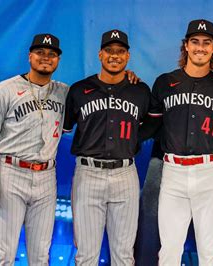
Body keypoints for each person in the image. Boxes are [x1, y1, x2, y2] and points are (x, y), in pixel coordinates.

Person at [141, 19, 213, 265]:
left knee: (209, 251)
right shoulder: (164, 82)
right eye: (195, 42)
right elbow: (151, 126)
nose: (200, 48)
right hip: (173, 171)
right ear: (185, 45)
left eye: (207, 43)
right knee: (169, 250)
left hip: (210, 170)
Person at [63, 29, 151, 265]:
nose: (115, 56)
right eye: (109, 51)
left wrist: (133, 139)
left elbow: (153, 123)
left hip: (125, 173)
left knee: (124, 254)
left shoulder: (140, 91)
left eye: (120, 51)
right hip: (88, 172)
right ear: (100, 55)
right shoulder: (79, 90)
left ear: (128, 56)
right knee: (86, 254)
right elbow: (64, 126)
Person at [0, 33, 67, 265]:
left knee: (40, 255)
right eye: (40, 53)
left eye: (52, 54)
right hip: (11, 172)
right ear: (30, 56)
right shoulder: (5, 88)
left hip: (47, 176)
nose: (46, 58)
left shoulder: (65, 92)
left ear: (58, 60)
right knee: (4, 254)